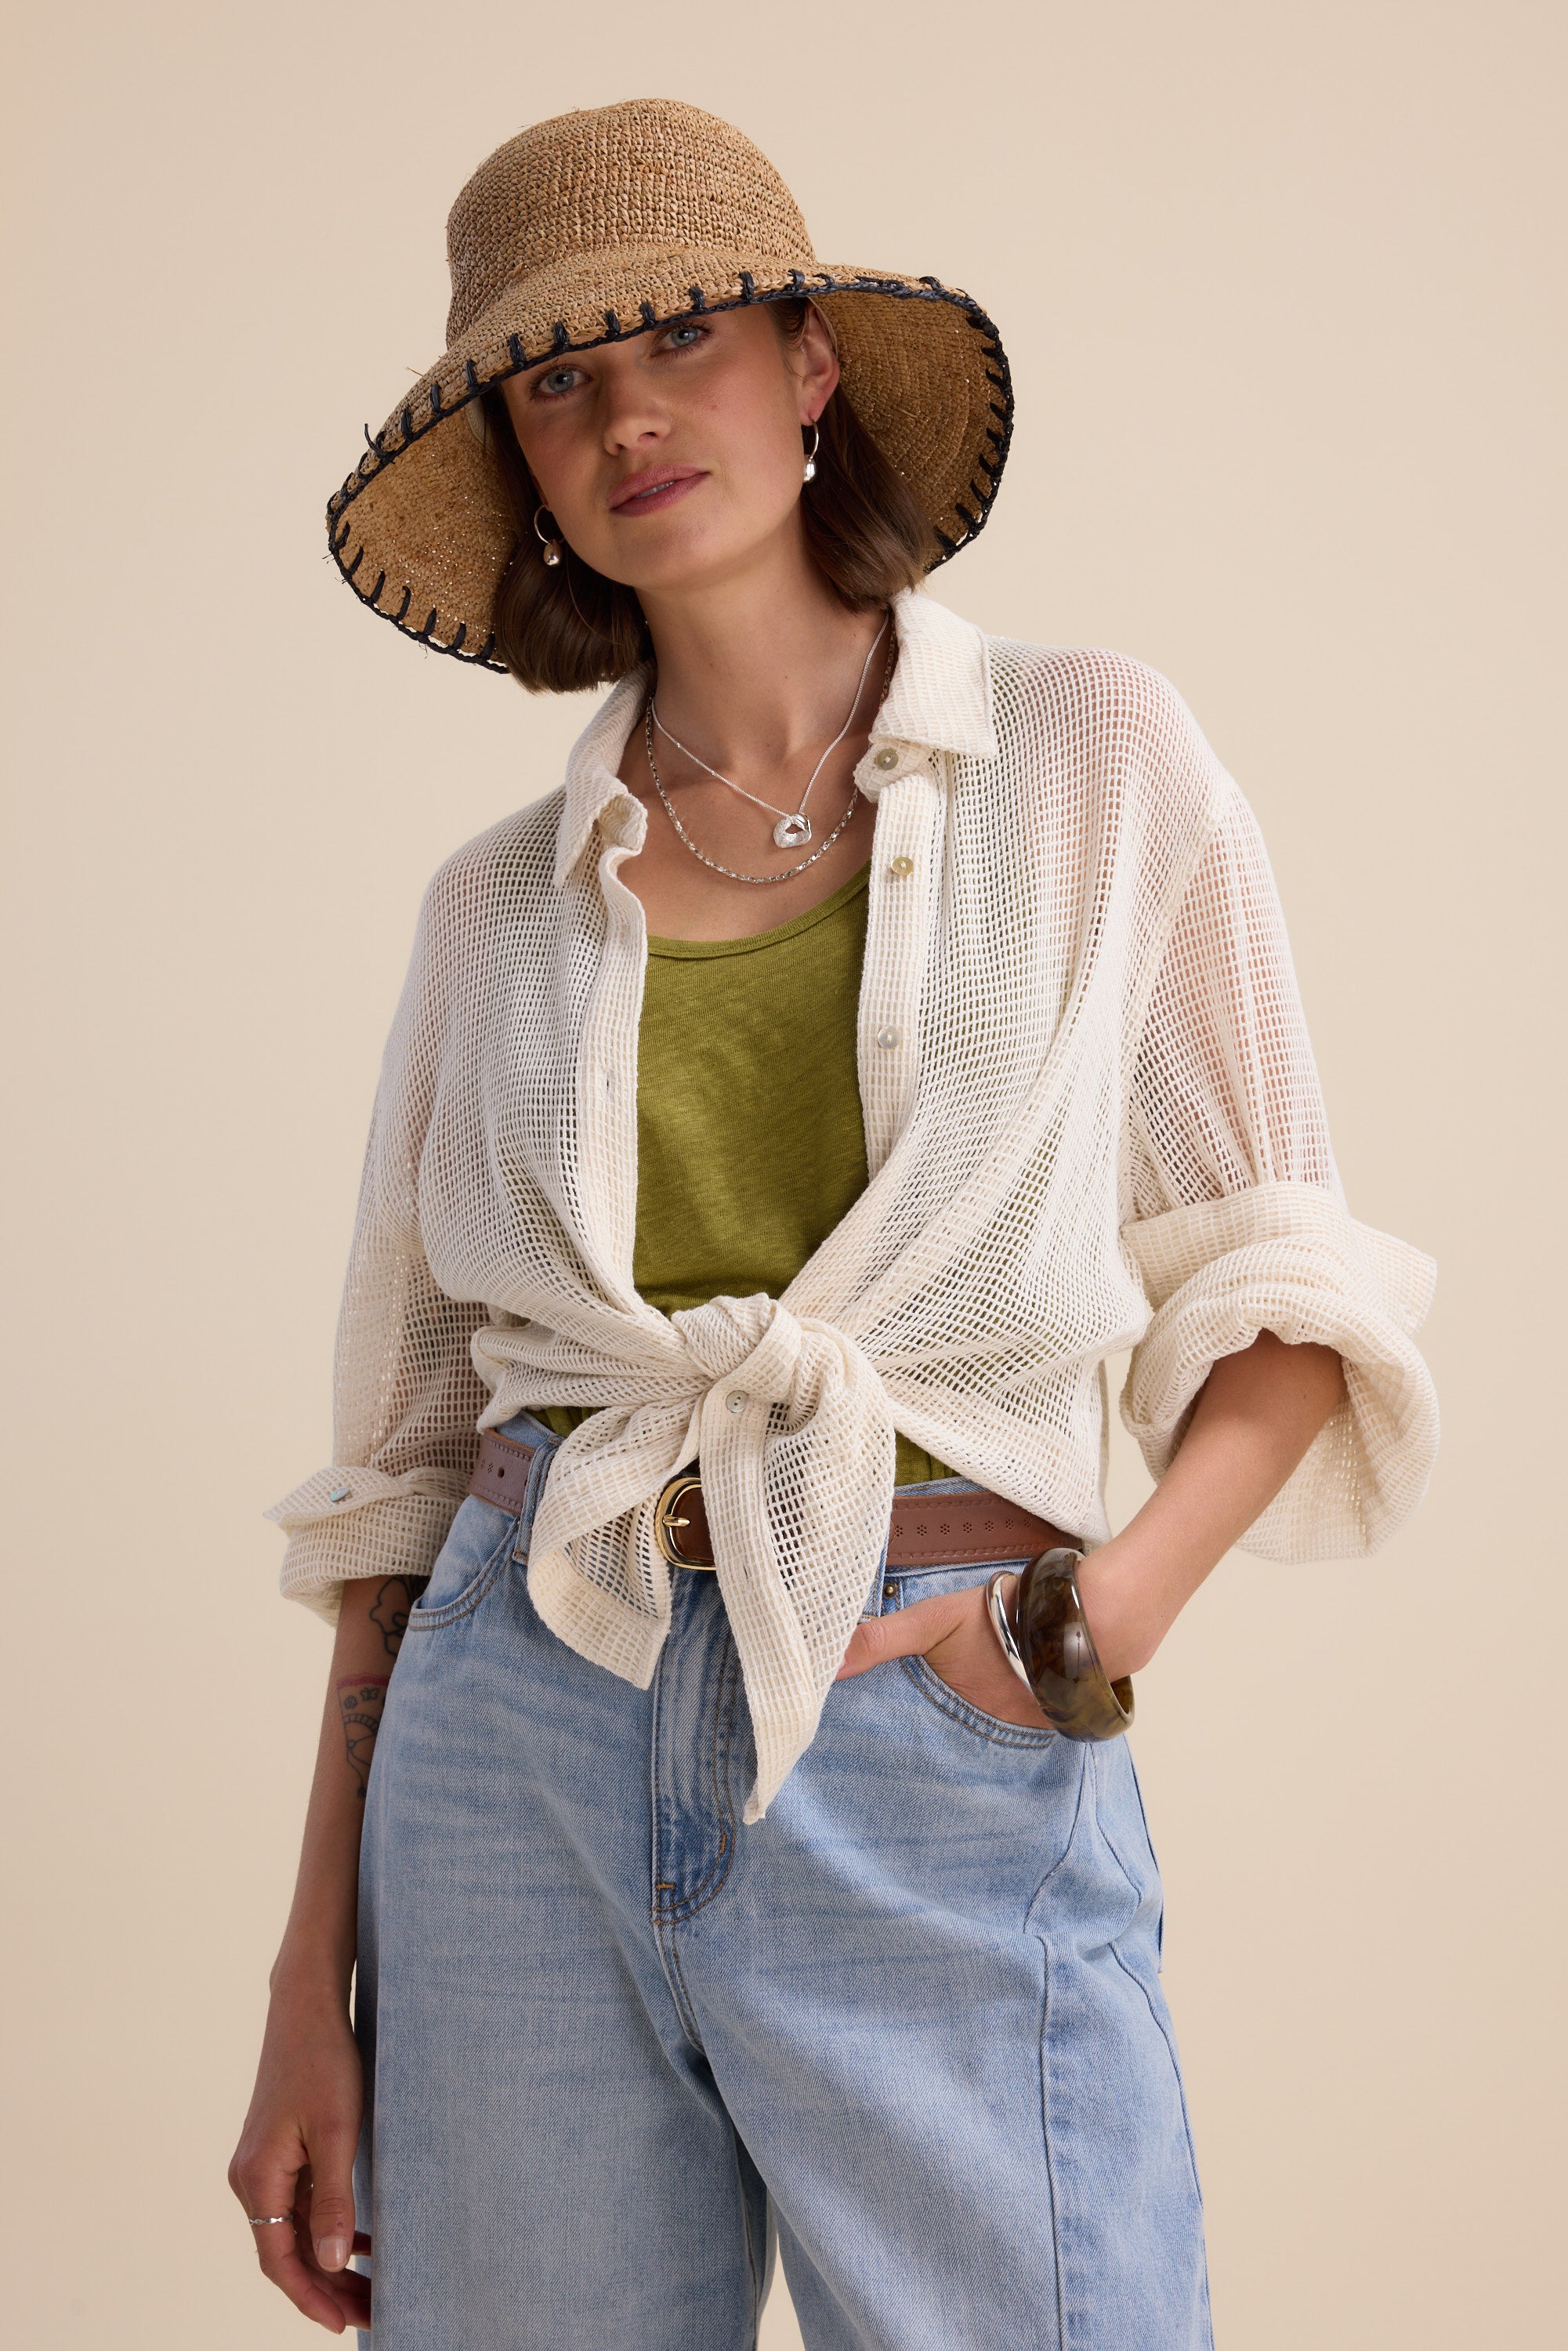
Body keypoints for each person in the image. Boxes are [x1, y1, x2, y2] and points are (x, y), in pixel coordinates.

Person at [229, 97, 1439, 2350]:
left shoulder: (1091, 761)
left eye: (677, 334)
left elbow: (1281, 1287)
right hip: (518, 1744)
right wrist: (316, 1976)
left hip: (936, 1704)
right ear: (524, 462)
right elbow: (400, 1485)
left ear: (808, 370)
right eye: (557, 379)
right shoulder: (490, 911)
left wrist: (1081, 1625)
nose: (626, 412)